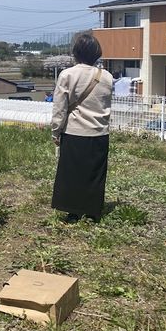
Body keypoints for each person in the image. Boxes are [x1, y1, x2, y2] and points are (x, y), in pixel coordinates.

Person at [50, 33, 113, 222]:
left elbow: (59, 107)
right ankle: (93, 211)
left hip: (75, 131)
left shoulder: (68, 75)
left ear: (76, 52)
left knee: (72, 173)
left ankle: (73, 212)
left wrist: (56, 131)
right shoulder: (107, 76)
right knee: (95, 174)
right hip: (100, 132)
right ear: (96, 53)